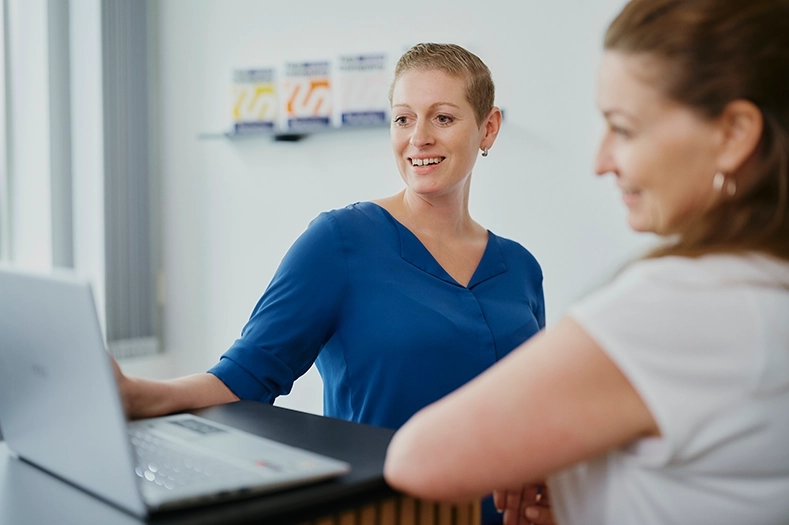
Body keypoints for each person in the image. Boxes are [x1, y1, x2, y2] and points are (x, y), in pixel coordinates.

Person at [383, 1, 789, 524]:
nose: (601, 161)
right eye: (403, 118)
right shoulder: (770, 283)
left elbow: (420, 461)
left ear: (733, 134)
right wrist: (583, 482)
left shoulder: (682, 300)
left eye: (623, 128)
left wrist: (564, 472)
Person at [112, 43, 546, 525]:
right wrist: (138, 395)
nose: (418, 137)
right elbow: (244, 378)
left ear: (488, 127)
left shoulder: (520, 268)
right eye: (403, 119)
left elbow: (537, 409)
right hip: (386, 513)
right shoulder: (341, 241)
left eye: (442, 118)